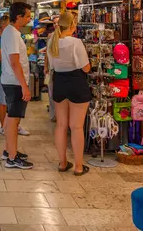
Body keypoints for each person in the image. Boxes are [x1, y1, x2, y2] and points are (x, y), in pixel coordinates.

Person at [45, 12, 92, 176]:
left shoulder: (52, 41)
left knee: (61, 125)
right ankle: (79, 166)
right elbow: (85, 68)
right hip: (76, 82)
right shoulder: (76, 43)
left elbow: (51, 64)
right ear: (73, 25)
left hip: (59, 82)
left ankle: (63, 162)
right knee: (77, 126)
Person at [1, 2, 34, 169]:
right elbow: (15, 62)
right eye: (27, 15)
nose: (29, 19)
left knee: (10, 117)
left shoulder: (9, 31)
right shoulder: (13, 34)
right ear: (19, 16)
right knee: (14, 120)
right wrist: (24, 86)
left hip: (10, 81)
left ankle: (9, 150)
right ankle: (12, 158)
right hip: (14, 82)